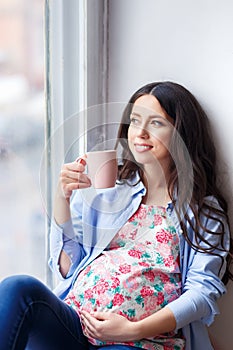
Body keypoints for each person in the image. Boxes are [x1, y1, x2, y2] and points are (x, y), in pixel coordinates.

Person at [0, 81, 232, 350]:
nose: (140, 133)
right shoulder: (109, 192)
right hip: (75, 323)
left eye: (156, 123)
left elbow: (201, 295)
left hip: (140, 342)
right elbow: (67, 268)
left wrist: (133, 330)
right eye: (135, 121)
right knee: (18, 288)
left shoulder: (203, 212)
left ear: (182, 133)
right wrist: (62, 198)